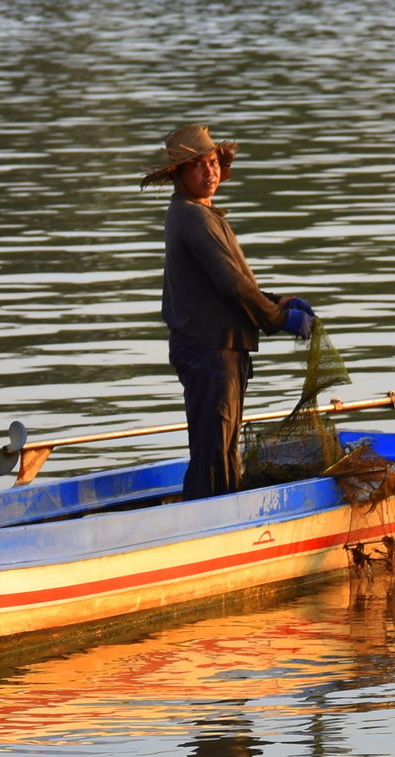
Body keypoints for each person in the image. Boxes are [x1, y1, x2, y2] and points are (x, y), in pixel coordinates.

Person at [142, 124, 314, 500]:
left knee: (217, 449)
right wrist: (279, 319)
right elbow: (233, 286)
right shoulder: (195, 218)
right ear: (179, 174)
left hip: (211, 349)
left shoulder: (194, 213)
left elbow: (233, 283)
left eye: (214, 162)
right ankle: (210, 525)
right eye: (199, 165)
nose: (211, 171)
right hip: (210, 352)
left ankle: (211, 514)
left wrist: (277, 300)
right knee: (215, 456)